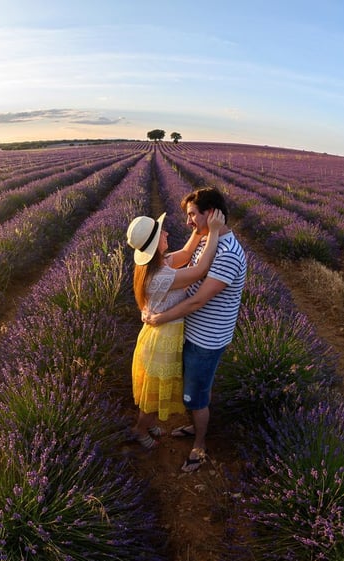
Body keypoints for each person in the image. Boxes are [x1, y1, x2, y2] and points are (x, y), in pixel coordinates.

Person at [143, 187, 246, 472]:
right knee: (197, 389)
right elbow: (189, 258)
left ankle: (200, 443)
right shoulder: (205, 240)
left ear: (211, 214)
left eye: (191, 215)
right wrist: (206, 232)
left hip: (206, 339)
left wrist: (160, 318)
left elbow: (199, 300)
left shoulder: (228, 253)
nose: (187, 221)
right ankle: (194, 424)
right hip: (192, 332)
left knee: (196, 396)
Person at [125, 207, 225, 450]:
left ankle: (146, 425)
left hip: (158, 335)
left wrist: (199, 230)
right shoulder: (160, 276)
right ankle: (139, 429)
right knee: (153, 393)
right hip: (161, 340)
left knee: (155, 388)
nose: (167, 233)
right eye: (162, 233)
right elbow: (200, 270)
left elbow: (189, 252)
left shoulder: (157, 263)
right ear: (155, 243)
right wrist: (213, 232)